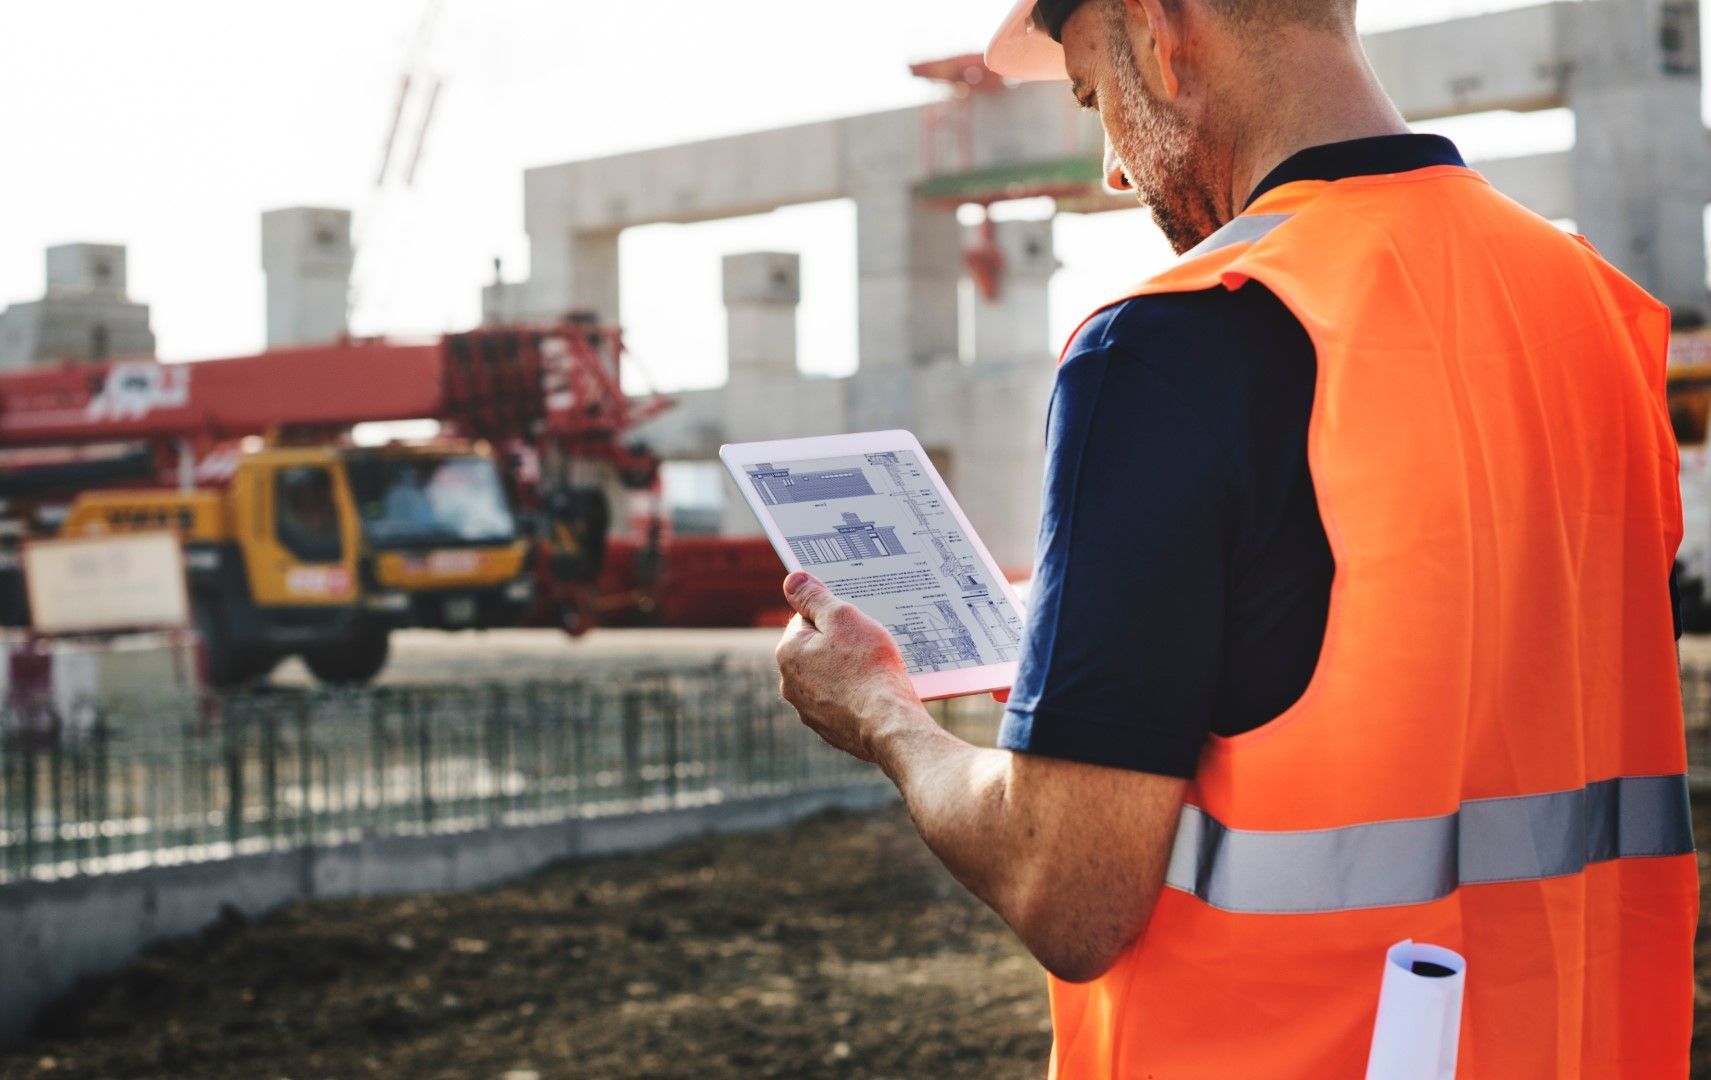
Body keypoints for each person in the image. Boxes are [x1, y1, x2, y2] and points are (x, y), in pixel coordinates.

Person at [772, 0, 1698, 1075]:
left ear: (1159, 33)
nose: (1113, 170)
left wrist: (883, 711)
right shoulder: (1589, 306)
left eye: (1093, 95)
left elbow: (1067, 890)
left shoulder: (1169, 348)